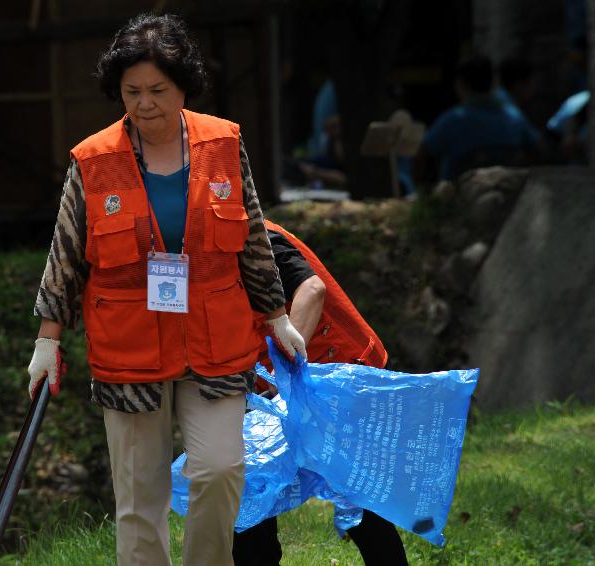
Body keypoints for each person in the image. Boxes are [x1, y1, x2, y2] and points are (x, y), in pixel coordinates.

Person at [27, 14, 306, 566]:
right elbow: (65, 254)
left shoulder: (224, 143)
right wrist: (48, 341)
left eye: (158, 90)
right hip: (128, 347)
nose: (145, 103)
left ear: (184, 86)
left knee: (221, 467)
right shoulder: (93, 161)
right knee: (139, 497)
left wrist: (276, 316)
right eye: (132, 91)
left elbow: (251, 236)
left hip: (215, 339)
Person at [232, 220, 408, 566]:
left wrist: (282, 373)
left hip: (335, 369)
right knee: (250, 495)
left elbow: (312, 291)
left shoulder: (252, 235)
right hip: (275, 380)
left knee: (357, 499)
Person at [420, 55, 541, 180]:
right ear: (493, 83)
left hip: (459, 196)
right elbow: (539, 149)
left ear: (461, 84)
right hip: (507, 193)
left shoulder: (453, 119)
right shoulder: (514, 117)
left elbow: (422, 152)